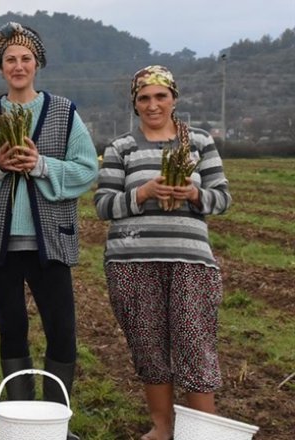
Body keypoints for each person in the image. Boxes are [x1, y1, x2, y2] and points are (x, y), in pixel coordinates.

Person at [0, 22, 98, 440]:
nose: (18, 66)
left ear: (38, 65)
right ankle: (18, 424)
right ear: (1, 68)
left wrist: (40, 165)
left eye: (25, 59)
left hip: (49, 241)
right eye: (10, 60)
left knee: (61, 330)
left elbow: (87, 168)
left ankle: (53, 424)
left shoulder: (64, 112)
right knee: (11, 329)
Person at [94, 65, 231, 440]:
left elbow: (222, 198)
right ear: (134, 104)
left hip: (190, 261)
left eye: (160, 96)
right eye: (144, 98)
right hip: (132, 261)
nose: (153, 105)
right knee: (149, 347)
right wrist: (143, 192)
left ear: (174, 99)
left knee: (194, 345)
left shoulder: (199, 143)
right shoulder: (121, 147)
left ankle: (202, 434)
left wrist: (193, 195)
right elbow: (103, 205)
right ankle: (162, 428)